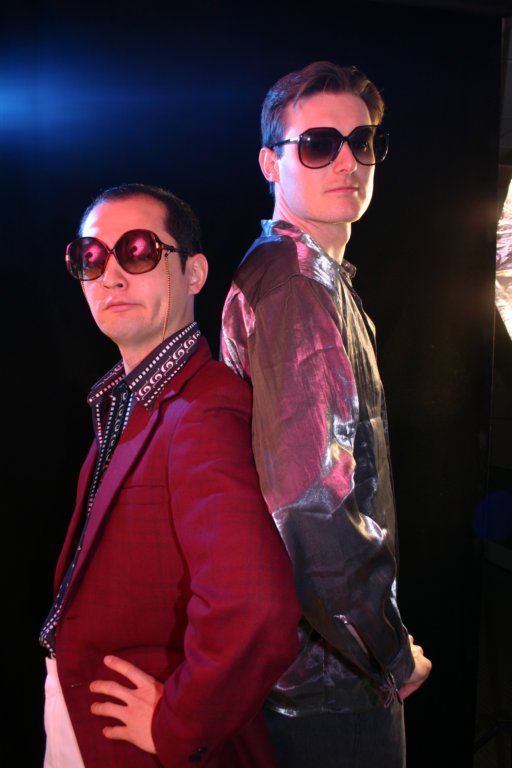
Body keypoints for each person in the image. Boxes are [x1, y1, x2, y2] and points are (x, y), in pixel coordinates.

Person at [39, 182, 301, 768]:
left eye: (138, 251)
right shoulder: (130, 402)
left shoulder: (204, 409)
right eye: (90, 257)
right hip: (83, 721)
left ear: (194, 273)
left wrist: (177, 724)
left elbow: (256, 607)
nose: (110, 276)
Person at [220, 61, 432, 768]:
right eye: (317, 144)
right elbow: (310, 503)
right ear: (270, 164)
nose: (347, 161)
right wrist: (389, 652)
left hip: (318, 671)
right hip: (327, 687)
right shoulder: (295, 286)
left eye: (361, 141)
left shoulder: (304, 273)